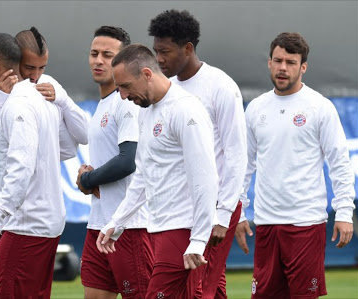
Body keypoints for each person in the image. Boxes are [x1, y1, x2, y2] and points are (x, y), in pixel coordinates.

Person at [0, 30, 87, 298]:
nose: (35, 76)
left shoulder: (40, 89)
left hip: (15, 215)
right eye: (29, 67)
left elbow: (71, 144)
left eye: (42, 68)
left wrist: (62, 100)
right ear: (13, 62)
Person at [238, 32, 355, 299]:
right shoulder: (256, 109)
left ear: (303, 67)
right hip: (266, 224)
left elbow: (339, 162)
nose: (282, 68)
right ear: (269, 62)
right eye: (278, 60)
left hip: (306, 223)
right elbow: (244, 165)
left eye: (290, 62)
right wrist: (239, 211)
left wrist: (345, 212)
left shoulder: (319, 107)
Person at [97, 44, 218, 298]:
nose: (122, 96)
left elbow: (205, 179)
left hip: (182, 233)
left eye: (126, 86)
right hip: (159, 230)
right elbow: (142, 176)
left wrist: (198, 239)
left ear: (147, 74)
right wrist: (116, 223)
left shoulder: (185, 109)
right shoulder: (146, 112)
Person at [148, 9, 247, 299]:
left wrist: (224, 214)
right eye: (156, 52)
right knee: (210, 287)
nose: (159, 59)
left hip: (215, 206)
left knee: (196, 287)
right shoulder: (167, 89)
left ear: (188, 48)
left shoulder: (221, 86)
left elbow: (237, 154)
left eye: (165, 52)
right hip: (181, 206)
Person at [76, 26, 154, 299]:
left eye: (107, 55)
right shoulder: (104, 104)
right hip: (98, 223)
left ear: (124, 62)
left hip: (128, 227)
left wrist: (87, 180)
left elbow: (127, 161)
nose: (98, 60)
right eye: (94, 53)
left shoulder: (127, 103)